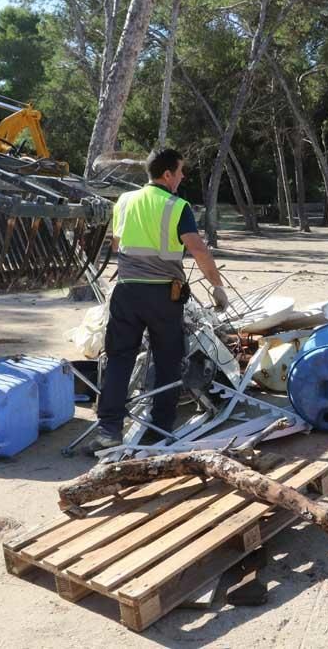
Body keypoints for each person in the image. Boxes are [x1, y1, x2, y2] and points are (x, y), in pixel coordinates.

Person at [86, 148, 228, 455]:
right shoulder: (177, 206)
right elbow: (198, 250)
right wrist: (217, 286)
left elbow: (118, 243)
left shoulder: (123, 202)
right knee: (167, 360)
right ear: (167, 175)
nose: (182, 177)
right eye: (180, 171)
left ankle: (109, 430)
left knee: (118, 359)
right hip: (163, 295)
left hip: (125, 293)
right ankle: (159, 427)